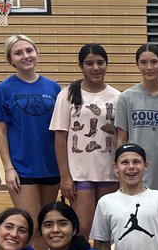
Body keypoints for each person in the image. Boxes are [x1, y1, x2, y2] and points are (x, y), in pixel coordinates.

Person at [0, 34, 62, 250]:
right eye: (18, 53)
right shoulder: (4, 89)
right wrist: (8, 168)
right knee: (31, 227)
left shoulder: (54, 88)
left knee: (48, 226)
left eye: (29, 51)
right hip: (22, 169)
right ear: (11, 60)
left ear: (37, 54)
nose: (25, 56)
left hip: (50, 167)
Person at [51, 43, 120, 235]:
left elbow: (121, 136)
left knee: (106, 232)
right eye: (89, 63)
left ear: (107, 64)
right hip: (79, 173)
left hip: (108, 172)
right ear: (81, 66)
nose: (95, 68)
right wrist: (65, 176)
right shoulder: (68, 94)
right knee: (82, 229)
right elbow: (60, 137)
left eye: (100, 62)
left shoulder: (118, 97)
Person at [114, 44, 158, 196]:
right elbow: (121, 140)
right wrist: (120, 171)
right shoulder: (126, 98)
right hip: (135, 170)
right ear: (137, 65)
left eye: (154, 62)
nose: (149, 67)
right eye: (143, 62)